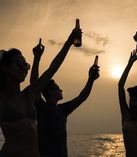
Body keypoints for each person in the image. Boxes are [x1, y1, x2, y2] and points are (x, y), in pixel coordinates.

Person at [0, 28, 78, 157]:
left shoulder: (29, 94)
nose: (23, 68)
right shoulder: (2, 99)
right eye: (19, 64)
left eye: (26, 65)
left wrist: (69, 42)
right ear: (5, 68)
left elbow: (52, 68)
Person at [30, 43, 100, 157]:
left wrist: (91, 80)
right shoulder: (41, 107)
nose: (61, 90)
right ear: (50, 92)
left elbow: (82, 97)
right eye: (57, 88)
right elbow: (34, 84)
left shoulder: (63, 109)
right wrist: (36, 58)